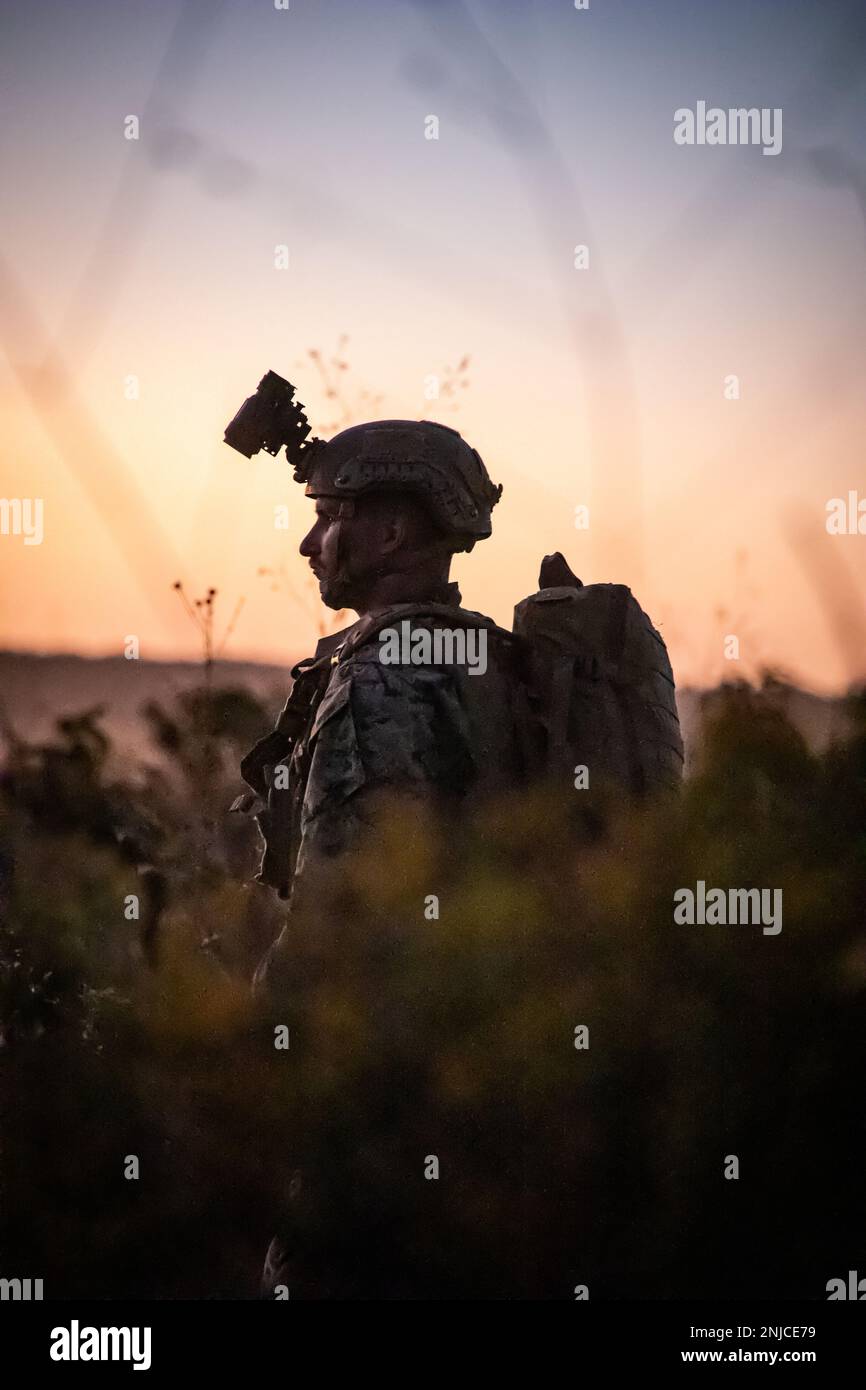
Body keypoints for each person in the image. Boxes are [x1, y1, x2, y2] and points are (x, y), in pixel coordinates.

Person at [232, 419, 529, 1295]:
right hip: (500, 1072)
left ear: (393, 533)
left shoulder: (380, 676)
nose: (308, 541)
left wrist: (253, 1054)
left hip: (389, 1094)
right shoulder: (490, 658)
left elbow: (346, 908)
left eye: (329, 516)